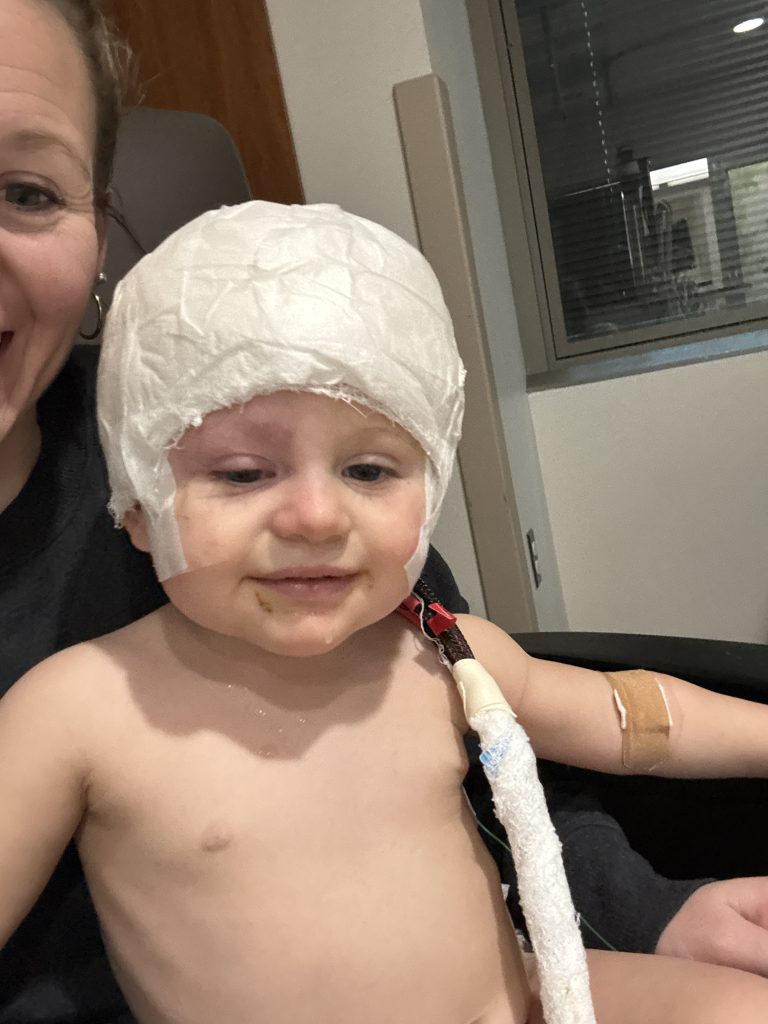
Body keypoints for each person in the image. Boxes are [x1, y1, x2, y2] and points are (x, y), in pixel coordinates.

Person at [1, 4, 767, 1022]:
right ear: (136, 504)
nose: (317, 514)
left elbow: (635, 724)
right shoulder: (75, 710)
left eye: (369, 470)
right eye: (243, 474)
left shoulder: (440, 651)